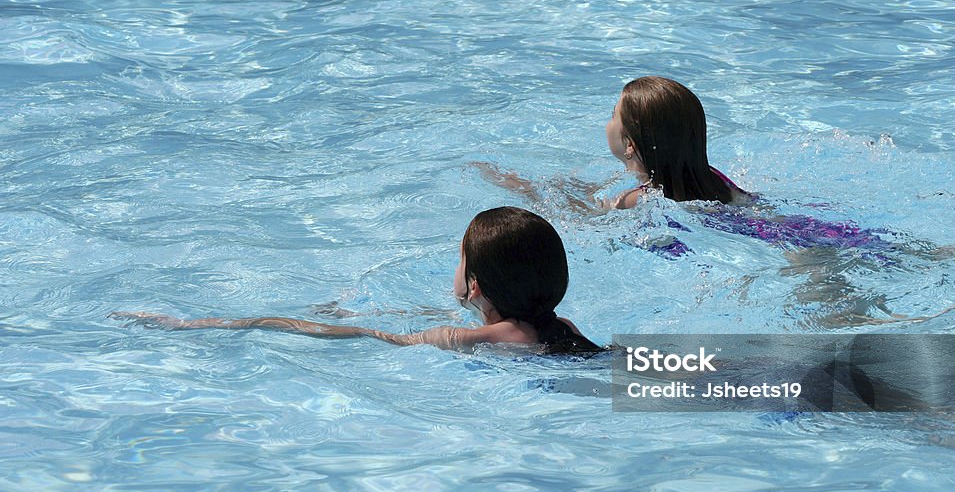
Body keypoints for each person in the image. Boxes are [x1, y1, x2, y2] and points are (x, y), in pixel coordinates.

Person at [110, 207, 601, 354]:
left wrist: (199, 324)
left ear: (473, 286)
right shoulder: (562, 327)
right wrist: (358, 310)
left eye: (458, 259)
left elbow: (371, 338)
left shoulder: (472, 338)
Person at [605, 75, 748, 209]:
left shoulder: (635, 199)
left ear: (630, 145)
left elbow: (594, 211)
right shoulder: (712, 177)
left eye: (613, 114)